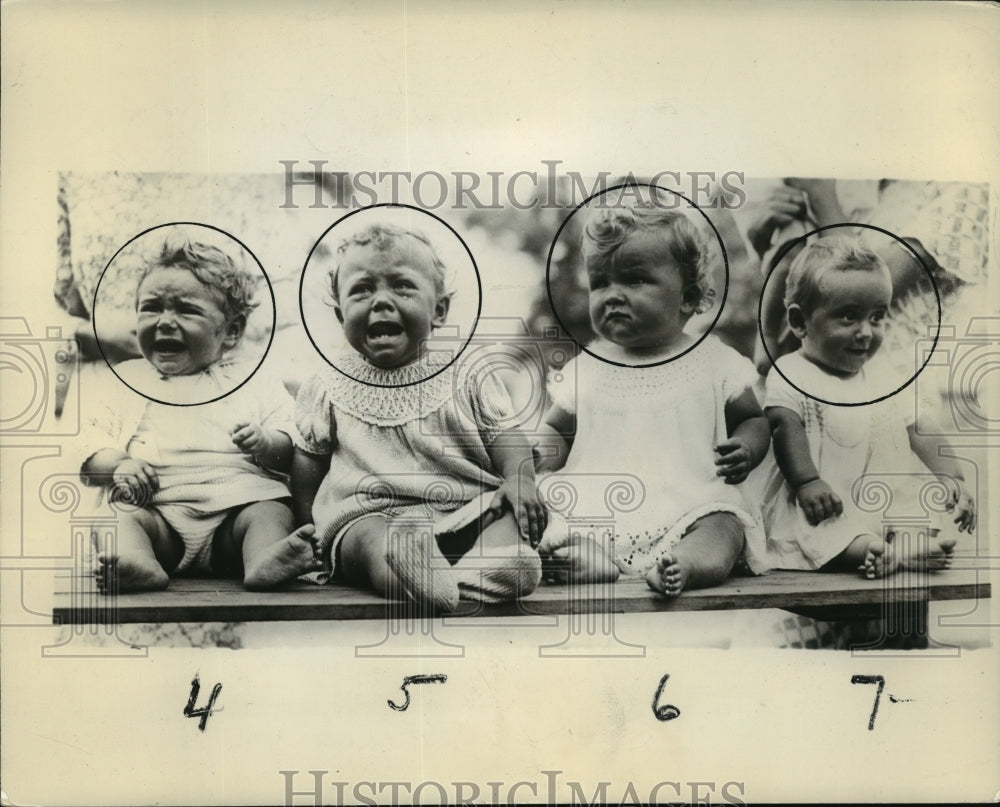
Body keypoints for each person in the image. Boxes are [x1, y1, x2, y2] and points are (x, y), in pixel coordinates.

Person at [292, 222, 544, 610]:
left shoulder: (468, 371)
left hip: (460, 510)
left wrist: (519, 479)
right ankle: (417, 577)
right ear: (341, 313)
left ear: (439, 309)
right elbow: (308, 464)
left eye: (402, 286)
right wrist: (307, 530)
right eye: (361, 289)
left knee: (505, 511)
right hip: (370, 516)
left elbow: (506, 439)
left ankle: (481, 568)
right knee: (366, 540)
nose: (380, 301)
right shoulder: (328, 383)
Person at [535, 198, 771, 596]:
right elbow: (558, 428)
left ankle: (687, 563)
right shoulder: (589, 368)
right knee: (554, 517)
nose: (612, 294)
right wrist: (541, 452)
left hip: (689, 502)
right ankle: (593, 559)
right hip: (600, 506)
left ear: (689, 297)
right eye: (600, 282)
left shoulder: (714, 361)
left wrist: (747, 448)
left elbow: (753, 418)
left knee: (724, 524)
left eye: (635, 279)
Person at [79, 234, 320, 592]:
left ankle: (264, 559)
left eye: (186, 310)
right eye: (151, 307)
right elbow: (89, 453)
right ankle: (138, 564)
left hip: (235, 518)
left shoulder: (254, 380)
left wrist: (265, 442)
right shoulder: (126, 380)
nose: (164, 321)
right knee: (114, 519)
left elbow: (293, 450)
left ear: (231, 331)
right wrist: (118, 465)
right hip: (158, 517)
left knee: (271, 512)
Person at [754, 239, 975, 577]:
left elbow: (919, 425)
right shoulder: (792, 373)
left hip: (874, 499)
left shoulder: (884, 374)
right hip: (820, 501)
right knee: (828, 530)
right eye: (848, 317)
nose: (865, 332)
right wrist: (808, 481)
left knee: (910, 509)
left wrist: (950, 474)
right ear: (800, 323)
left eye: (877, 317)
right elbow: (785, 426)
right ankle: (871, 551)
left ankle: (902, 545)